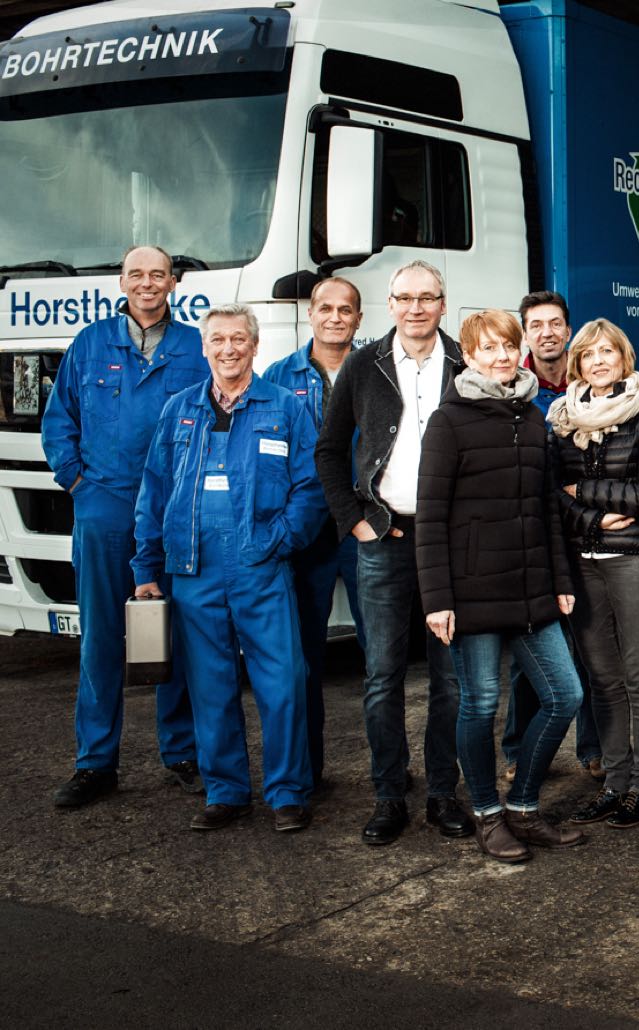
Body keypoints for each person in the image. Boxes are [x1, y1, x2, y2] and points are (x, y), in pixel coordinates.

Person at [131, 305, 327, 831]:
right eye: (217, 339)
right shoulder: (179, 410)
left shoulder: (284, 408)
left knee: (283, 681)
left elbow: (311, 488)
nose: (228, 348)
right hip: (192, 568)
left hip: (260, 566)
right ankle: (226, 791)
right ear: (204, 347)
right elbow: (154, 491)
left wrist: (279, 540)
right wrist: (146, 566)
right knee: (210, 685)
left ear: (254, 345)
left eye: (238, 338)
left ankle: (288, 792)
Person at [42, 245, 210, 808]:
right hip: (105, 508)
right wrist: (76, 483)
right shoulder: (91, 344)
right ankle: (95, 762)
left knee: (177, 633)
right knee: (101, 639)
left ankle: (181, 752)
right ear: (121, 281)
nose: (146, 283)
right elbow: (58, 419)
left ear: (173, 283)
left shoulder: (194, 347)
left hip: (174, 511)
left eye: (157, 274)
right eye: (136, 274)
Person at [315, 260, 474, 845]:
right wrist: (356, 522)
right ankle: (388, 794)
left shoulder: (466, 363)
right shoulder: (363, 365)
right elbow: (329, 452)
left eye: (427, 298)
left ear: (442, 303)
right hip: (385, 537)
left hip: (451, 544)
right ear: (389, 303)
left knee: (450, 679)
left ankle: (441, 792)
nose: (415, 308)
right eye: (404, 298)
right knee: (381, 674)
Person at [417, 310, 586, 863]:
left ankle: (524, 807)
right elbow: (431, 516)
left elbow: (546, 509)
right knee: (481, 702)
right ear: (468, 357)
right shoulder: (449, 421)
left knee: (566, 696)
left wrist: (561, 580)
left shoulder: (533, 417)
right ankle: (489, 815)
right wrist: (438, 599)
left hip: (533, 588)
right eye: (487, 348)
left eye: (507, 346)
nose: (500, 356)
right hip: (471, 591)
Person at [551, 320, 639, 829]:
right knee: (604, 679)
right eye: (588, 354)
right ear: (577, 363)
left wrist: (585, 494)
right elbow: (554, 495)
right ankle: (615, 782)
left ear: (624, 357)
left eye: (608, 352)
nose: (599, 361)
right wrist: (593, 513)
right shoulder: (561, 419)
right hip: (584, 562)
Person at [264, 277, 368, 792]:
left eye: (344, 309)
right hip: (306, 529)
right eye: (324, 308)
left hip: (366, 524)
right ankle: (306, 769)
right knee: (302, 656)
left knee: (382, 653)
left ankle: (387, 773)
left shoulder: (377, 369)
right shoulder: (279, 377)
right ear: (311, 314)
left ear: (358, 318)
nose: (334, 317)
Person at [503, 290, 601, 783]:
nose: (547, 332)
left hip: (588, 536)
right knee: (529, 652)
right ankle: (518, 750)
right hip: (536, 540)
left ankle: (593, 750)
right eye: (536, 324)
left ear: (567, 329)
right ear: (526, 333)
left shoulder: (594, 383)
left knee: (590, 646)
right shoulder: (514, 390)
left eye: (555, 323)